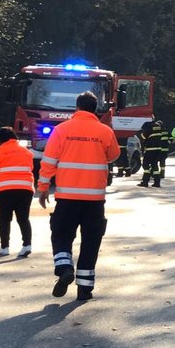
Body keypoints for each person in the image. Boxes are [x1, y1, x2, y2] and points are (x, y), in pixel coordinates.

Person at [37, 91, 120, 301]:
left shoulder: (61, 130)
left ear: (77, 107)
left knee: (61, 234)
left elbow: (48, 161)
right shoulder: (104, 131)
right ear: (95, 109)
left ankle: (64, 267)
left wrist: (43, 187)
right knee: (91, 241)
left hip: (67, 198)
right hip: (94, 200)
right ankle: (84, 289)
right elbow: (114, 155)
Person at [0, 127, 35, 258]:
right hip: (25, 189)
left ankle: (4, 247)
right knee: (23, 218)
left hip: (4, 190)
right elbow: (30, 168)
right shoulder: (26, 152)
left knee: (4, 219)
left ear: (0, 139)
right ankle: (27, 245)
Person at [139, 118, 168, 188]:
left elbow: (143, 137)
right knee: (154, 165)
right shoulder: (159, 126)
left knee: (145, 165)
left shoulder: (148, 126)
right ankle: (157, 182)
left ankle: (145, 182)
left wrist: (141, 133)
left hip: (150, 149)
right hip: (158, 149)